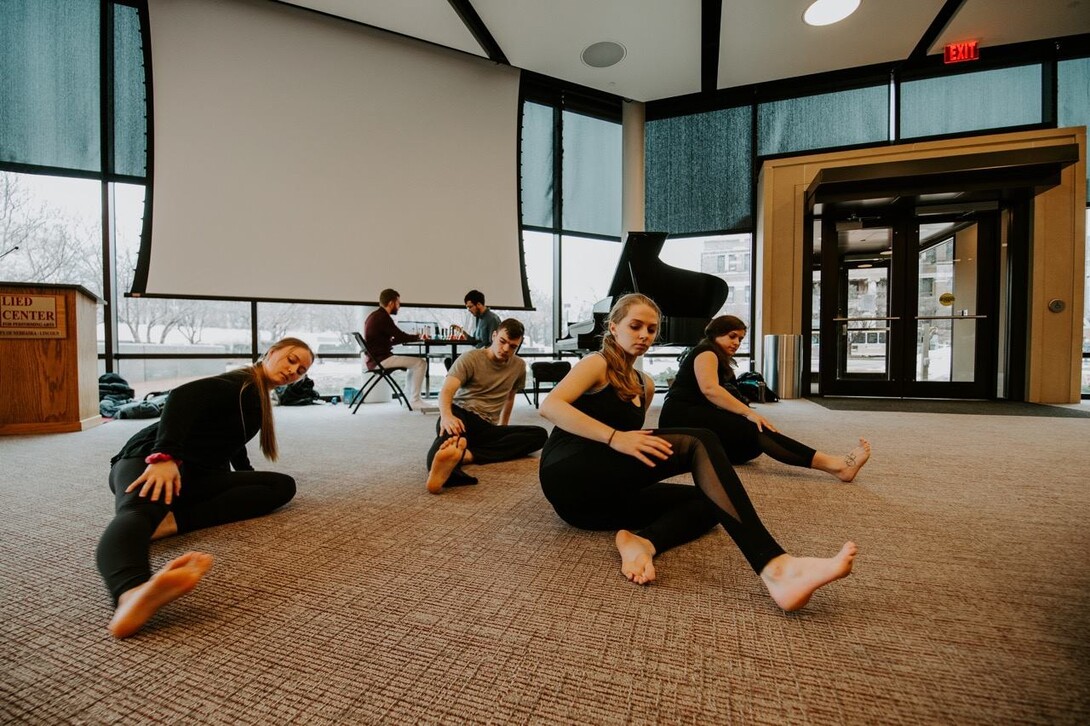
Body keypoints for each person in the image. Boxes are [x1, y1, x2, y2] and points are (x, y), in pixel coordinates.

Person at [538, 294, 856, 611]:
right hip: (568, 475)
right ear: (613, 327)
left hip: (595, 507)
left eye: (651, 329)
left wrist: (627, 445)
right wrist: (614, 438)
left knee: (710, 502)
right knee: (700, 441)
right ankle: (776, 567)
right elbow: (550, 405)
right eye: (635, 326)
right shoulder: (597, 363)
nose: (644, 335)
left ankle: (642, 542)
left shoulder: (645, 384)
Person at [95, 338, 314, 638]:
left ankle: (170, 522)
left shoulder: (255, 396)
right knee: (136, 515)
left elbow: (232, 442)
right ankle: (131, 592)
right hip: (148, 460)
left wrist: (247, 476)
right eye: (291, 360)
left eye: (301, 370)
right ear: (271, 352)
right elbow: (182, 397)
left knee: (280, 485)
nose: (294, 371)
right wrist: (165, 456)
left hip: (197, 472)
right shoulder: (240, 382)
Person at [659, 315, 870, 482]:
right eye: (732, 336)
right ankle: (836, 465)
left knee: (751, 441)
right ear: (716, 334)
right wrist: (749, 413)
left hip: (692, 413)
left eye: (740, 339)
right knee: (756, 429)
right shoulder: (706, 351)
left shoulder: (717, 357)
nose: (737, 343)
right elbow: (710, 390)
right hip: (680, 415)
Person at [426, 318, 547, 493]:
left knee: (539, 434)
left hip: (486, 425)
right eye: (503, 342)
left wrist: (503, 428)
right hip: (460, 413)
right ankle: (441, 473)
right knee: (448, 440)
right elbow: (446, 390)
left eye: (513, 346)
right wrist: (446, 416)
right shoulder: (470, 358)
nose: (506, 349)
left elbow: (509, 398)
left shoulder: (519, 366)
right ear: (494, 335)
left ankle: (466, 455)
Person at [363, 288, 429, 410]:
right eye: (398, 303)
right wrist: (418, 336)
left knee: (414, 364)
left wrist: (410, 338)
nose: (399, 306)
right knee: (421, 363)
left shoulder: (374, 316)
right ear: (391, 303)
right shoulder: (383, 317)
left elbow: (391, 338)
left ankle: (409, 399)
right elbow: (400, 335)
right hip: (381, 360)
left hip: (374, 359)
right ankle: (415, 400)